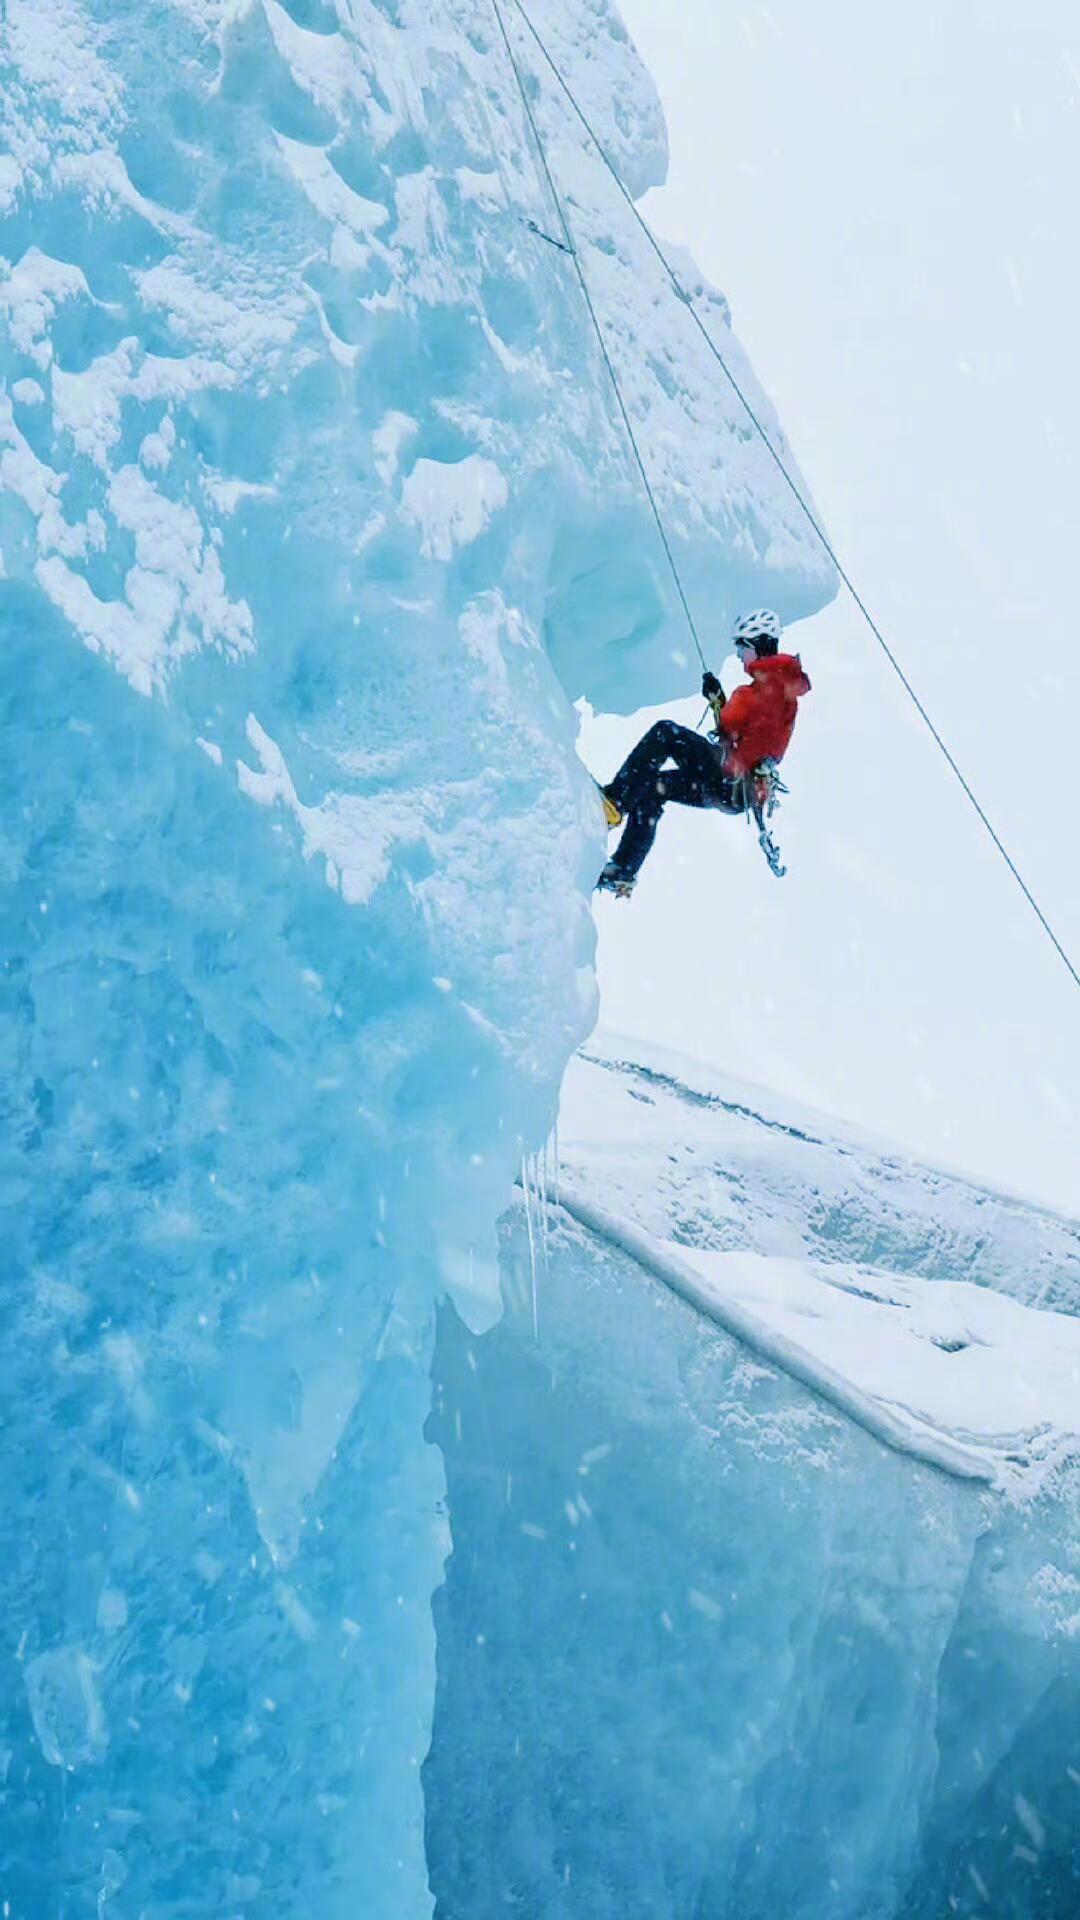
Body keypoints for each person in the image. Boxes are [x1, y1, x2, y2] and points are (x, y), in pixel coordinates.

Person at [596, 608, 811, 896]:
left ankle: (614, 803)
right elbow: (748, 735)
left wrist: (721, 703)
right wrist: (719, 700)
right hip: (735, 793)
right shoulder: (783, 690)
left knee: (666, 733)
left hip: (727, 778)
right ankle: (623, 869)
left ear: (758, 643)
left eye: (742, 647)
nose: (739, 655)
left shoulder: (768, 688)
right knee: (653, 789)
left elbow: (732, 728)